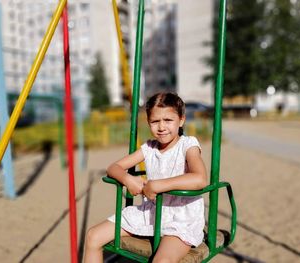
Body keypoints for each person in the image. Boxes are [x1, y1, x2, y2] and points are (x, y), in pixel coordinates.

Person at [84, 92, 208, 263]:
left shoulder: (188, 145)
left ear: (181, 120)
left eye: (168, 120)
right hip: (151, 212)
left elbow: (200, 179)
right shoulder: (149, 148)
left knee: (162, 261)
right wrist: (128, 179)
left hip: (180, 219)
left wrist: (157, 185)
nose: (162, 127)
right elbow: (113, 167)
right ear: (149, 122)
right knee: (93, 236)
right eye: (155, 121)